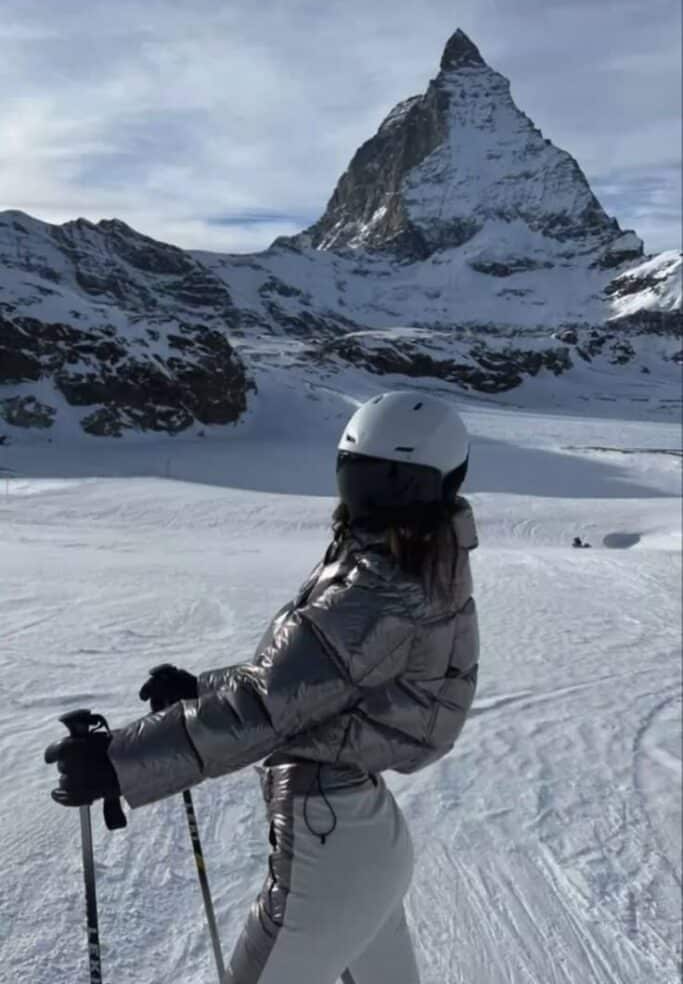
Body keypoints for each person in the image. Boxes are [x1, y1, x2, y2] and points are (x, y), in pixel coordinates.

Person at [45, 390, 480, 984]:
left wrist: (118, 760)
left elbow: (265, 709)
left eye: (394, 487)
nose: (370, 504)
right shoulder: (413, 564)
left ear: (437, 490)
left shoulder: (380, 590)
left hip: (333, 850)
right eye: (359, 481)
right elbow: (306, 682)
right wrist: (200, 689)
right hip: (364, 837)